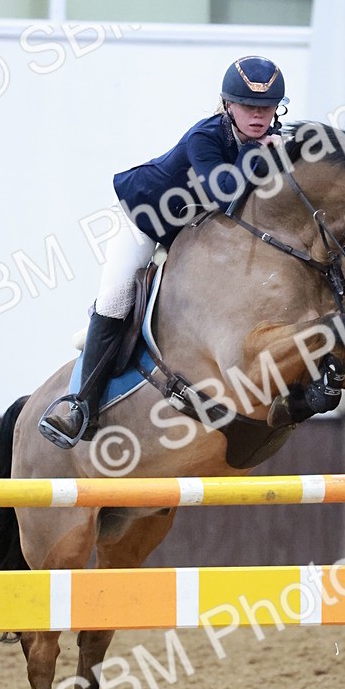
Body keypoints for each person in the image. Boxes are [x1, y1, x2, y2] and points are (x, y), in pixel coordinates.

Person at [40, 55, 287, 447]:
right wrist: (259, 153)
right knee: (117, 297)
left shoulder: (273, 141)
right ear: (229, 106)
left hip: (192, 234)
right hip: (145, 219)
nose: (258, 116)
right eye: (248, 107)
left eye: (267, 108)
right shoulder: (204, 138)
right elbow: (227, 192)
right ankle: (79, 408)